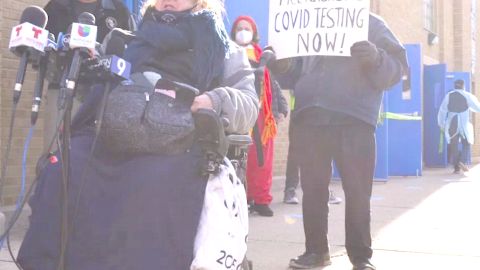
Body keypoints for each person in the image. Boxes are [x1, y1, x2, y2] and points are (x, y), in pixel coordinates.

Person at [17, 0, 259, 269]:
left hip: (178, 142)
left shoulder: (224, 48)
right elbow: (92, 88)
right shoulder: (123, 39)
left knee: (153, 180)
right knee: (62, 167)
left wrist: (213, 100)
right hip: (112, 132)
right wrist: (85, 63)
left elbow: (249, 104)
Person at [271, 13, 408, 270]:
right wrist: (281, 65)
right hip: (310, 117)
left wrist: (377, 58)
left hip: (354, 120)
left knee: (357, 192)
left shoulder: (372, 24)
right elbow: (293, 73)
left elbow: (397, 71)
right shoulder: (308, 21)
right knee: (312, 191)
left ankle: (360, 257)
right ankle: (315, 252)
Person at [42, 0, 135, 153]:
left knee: (100, 157)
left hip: (105, 95)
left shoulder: (119, 10)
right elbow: (42, 51)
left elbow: (133, 53)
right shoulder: (55, 7)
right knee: (55, 156)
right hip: (62, 92)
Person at [230, 15, 289, 217]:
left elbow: (272, 83)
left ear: (254, 32)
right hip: (239, 112)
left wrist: (280, 107)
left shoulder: (262, 55)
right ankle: (242, 198)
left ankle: (261, 199)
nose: (243, 31)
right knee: (239, 158)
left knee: (262, 160)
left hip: (263, 117)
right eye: (239, 28)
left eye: (247, 28)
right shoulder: (228, 53)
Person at [283, 91, 343, 205]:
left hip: (323, 112)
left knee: (324, 151)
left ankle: (324, 189)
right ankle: (290, 190)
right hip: (300, 111)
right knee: (296, 152)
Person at [437, 79, 480, 174]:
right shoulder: (467, 95)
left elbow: (442, 110)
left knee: (454, 144)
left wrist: (441, 123)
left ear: (455, 86)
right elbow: (477, 107)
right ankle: (462, 161)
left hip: (452, 122)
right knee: (466, 143)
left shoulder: (449, 95)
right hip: (463, 123)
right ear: (463, 86)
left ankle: (457, 168)